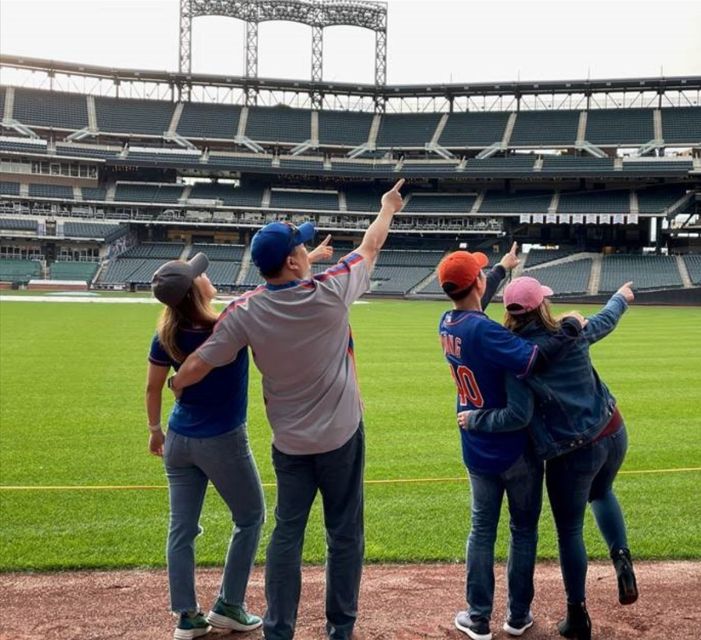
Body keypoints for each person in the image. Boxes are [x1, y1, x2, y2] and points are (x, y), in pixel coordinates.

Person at [167, 179, 406, 640]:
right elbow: (371, 245)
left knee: (286, 534)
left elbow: (200, 361)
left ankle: (279, 630)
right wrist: (386, 208)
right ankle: (340, 628)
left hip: (290, 445)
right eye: (301, 245)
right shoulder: (333, 289)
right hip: (341, 437)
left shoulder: (245, 310)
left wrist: (177, 382)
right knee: (344, 535)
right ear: (295, 259)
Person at [460, 276, 639, 640]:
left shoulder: (517, 355)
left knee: (569, 530)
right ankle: (620, 554)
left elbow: (519, 413)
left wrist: (475, 419)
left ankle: (577, 616)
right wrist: (621, 297)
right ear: (542, 304)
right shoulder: (569, 332)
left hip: (571, 451)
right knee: (602, 493)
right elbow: (606, 319)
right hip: (613, 429)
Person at [437, 249, 584, 640]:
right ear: (478, 284)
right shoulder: (489, 332)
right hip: (516, 450)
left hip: (476, 446)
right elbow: (534, 358)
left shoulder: (449, 322)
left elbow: (474, 305)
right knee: (523, 531)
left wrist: (501, 269)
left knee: (481, 530)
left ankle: (478, 617)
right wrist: (569, 328)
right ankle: (517, 617)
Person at [146, 252, 265, 640]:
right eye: (200, 276)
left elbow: (152, 387)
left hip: (178, 438)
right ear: (196, 290)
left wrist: (155, 429)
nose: (207, 276)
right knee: (250, 517)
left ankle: (187, 617)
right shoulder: (227, 325)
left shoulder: (166, 333)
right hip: (223, 439)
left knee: (181, 529)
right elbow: (271, 295)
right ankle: (229, 605)